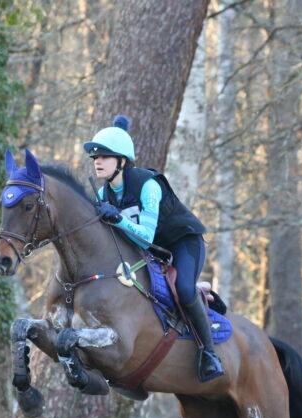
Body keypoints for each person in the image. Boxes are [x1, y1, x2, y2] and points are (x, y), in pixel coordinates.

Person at [84, 115, 223, 382]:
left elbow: (146, 237)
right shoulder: (103, 196)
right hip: (152, 252)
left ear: (122, 161)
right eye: (95, 157)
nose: (97, 161)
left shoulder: (148, 185)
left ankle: (209, 353)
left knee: (183, 288)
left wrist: (116, 218)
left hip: (183, 243)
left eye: (104, 156)